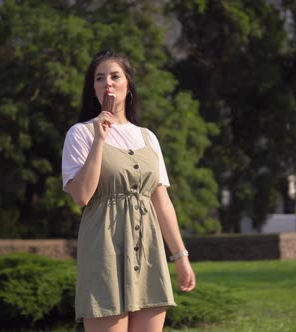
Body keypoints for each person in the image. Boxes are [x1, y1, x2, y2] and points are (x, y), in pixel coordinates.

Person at [62, 50, 196, 332]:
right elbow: (81, 196)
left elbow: (162, 203)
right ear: (93, 89)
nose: (107, 83)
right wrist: (100, 138)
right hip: (104, 250)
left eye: (115, 76)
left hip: (148, 251)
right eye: (100, 78)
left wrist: (181, 258)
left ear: (128, 84)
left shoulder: (148, 137)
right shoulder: (81, 134)